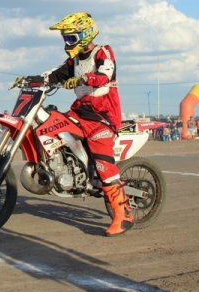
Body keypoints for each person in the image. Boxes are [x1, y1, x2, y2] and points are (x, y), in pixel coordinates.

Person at [26, 12, 133, 237]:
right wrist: (31, 80)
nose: (67, 43)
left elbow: (105, 73)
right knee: (50, 124)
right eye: (65, 39)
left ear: (85, 34)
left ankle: (123, 215)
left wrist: (84, 79)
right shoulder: (74, 61)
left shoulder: (102, 52)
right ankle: (64, 168)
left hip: (102, 117)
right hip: (80, 112)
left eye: (71, 38)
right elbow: (55, 75)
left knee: (104, 163)